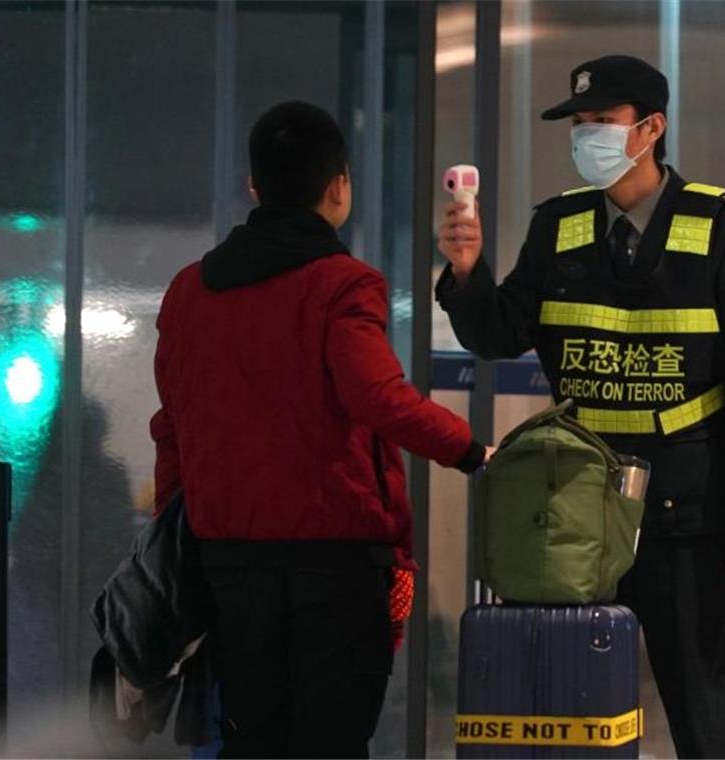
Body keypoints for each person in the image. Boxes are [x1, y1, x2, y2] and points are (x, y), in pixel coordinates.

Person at [435, 55, 725, 759]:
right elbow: (501, 335)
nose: (586, 136)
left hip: (687, 511)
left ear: (651, 128)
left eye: (603, 121)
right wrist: (468, 271)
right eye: (579, 124)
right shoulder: (559, 226)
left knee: (709, 718)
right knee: (568, 708)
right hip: (576, 513)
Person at [150, 100, 488, 759]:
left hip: (230, 563)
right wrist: (472, 450)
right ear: (338, 187)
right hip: (334, 566)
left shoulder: (188, 291)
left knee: (251, 741)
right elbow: (378, 397)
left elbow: (172, 430)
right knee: (332, 742)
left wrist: (177, 542)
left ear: (256, 186)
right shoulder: (343, 285)